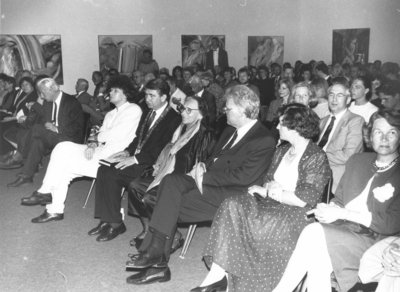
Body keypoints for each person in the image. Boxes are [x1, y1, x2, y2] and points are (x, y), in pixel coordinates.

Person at [125, 85, 276, 285]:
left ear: (242, 109)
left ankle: (156, 258)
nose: (224, 111)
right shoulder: (230, 130)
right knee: (169, 182)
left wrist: (204, 177)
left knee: (164, 200)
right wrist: (203, 165)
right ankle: (156, 258)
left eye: (228, 108)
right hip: (209, 181)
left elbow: (243, 177)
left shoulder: (263, 139)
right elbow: (213, 158)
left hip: (232, 194)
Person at [192, 104, 331, 292]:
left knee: (263, 222)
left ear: (295, 128)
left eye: (282, 124)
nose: (277, 128)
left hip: (296, 213)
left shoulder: (316, 156)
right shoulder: (282, 150)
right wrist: (269, 190)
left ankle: (244, 283)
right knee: (232, 204)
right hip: (270, 202)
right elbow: (267, 181)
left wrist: (274, 192)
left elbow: (304, 199)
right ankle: (217, 275)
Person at [273, 108, 400, 292]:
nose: (385, 138)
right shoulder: (358, 161)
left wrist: (343, 213)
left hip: (376, 241)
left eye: (392, 132)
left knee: (314, 232)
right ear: (369, 135)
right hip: (344, 230)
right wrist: (328, 209)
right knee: (319, 257)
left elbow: (392, 223)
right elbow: (339, 199)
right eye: (378, 132)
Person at [21, 76, 142, 223]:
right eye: (110, 90)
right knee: (62, 147)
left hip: (113, 158)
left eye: (115, 90)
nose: (110, 93)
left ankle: (50, 202)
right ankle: (50, 201)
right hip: (99, 151)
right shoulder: (111, 114)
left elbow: (112, 135)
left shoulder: (133, 110)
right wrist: (93, 143)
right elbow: (100, 136)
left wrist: (99, 137)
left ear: (126, 94)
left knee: (64, 165)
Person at [88, 78, 181, 242]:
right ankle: (109, 220)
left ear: (164, 97)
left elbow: (162, 148)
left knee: (113, 174)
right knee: (103, 169)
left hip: (153, 164)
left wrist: (135, 159)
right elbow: (138, 138)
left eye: (152, 96)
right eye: (146, 95)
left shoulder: (173, 118)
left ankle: (116, 224)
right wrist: (126, 152)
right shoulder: (148, 111)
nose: (147, 99)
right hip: (139, 157)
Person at [127, 96, 215, 250]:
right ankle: (149, 229)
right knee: (134, 186)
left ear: (201, 114)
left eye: (189, 110)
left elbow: (201, 165)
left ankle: (172, 234)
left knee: (149, 198)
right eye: (182, 108)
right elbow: (165, 151)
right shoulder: (179, 128)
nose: (183, 113)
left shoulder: (205, 134)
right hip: (164, 174)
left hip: (182, 180)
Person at [7, 77, 84, 187]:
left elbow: (77, 128)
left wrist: (56, 128)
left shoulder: (71, 102)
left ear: (52, 89)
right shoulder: (48, 102)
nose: (41, 96)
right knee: (37, 141)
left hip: (69, 137)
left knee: (36, 129)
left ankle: (19, 155)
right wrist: (34, 110)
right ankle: (26, 176)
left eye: (42, 93)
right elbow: (41, 119)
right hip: (52, 136)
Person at [318, 83, 364, 193]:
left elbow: (349, 156)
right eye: (331, 95)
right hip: (314, 174)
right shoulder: (322, 121)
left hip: (336, 179)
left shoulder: (355, 121)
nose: (334, 99)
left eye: (339, 95)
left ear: (348, 100)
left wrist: (317, 157)